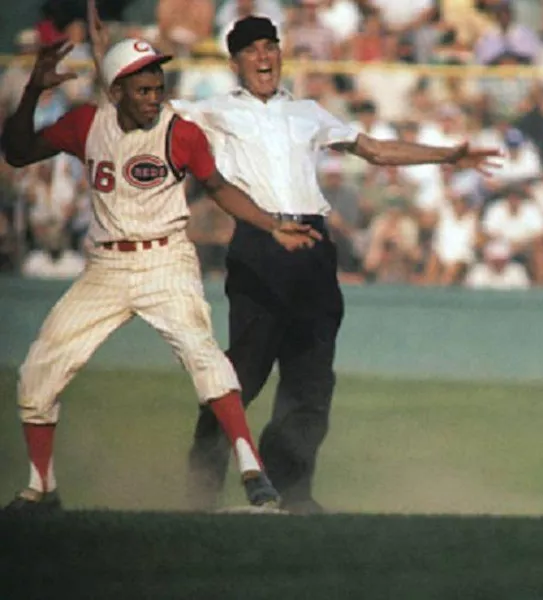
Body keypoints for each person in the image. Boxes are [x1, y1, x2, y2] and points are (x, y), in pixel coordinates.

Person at [89, 10, 500, 514]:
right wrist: (104, 63)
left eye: (271, 47)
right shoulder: (210, 110)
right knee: (241, 375)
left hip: (312, 246)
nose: (264, 57)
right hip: (260, 242)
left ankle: (293, 493)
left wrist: (445, 156)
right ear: (235, 62)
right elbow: (136, 112)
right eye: (252, 50)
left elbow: (373, 149)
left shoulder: (309, 111)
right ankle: (200, 488)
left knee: (311, 380)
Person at [1, 36, 320, 513]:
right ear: (116, 92)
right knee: (38, 372)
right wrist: (33, 92)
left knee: (203, 354)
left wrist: (271, 223)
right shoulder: (87, 124)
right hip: (106, 266)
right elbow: (18, 152)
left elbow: (217, 187)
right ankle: (42, 487)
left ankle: (252, 470)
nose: (154, 98)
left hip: (165, 260)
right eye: (143, 90)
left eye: (158, 87)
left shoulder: (180, 132)